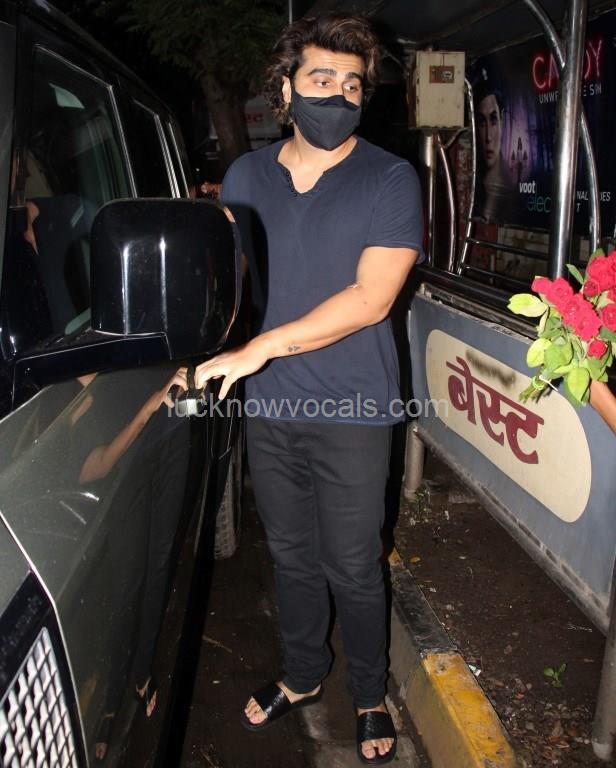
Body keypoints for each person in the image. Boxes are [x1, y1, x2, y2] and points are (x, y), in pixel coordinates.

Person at [186, 14, 423, 764]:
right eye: (321, 79)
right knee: (290, 553)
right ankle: (303, 673)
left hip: (354, 406)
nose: (338, 95)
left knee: (352, 562)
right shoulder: (247, 177)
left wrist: (260, 348)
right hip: (272, 403)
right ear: (285, 90)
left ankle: (370, 693)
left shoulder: (390, 178)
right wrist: (199, 343)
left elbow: (372, 299)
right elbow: (237, 283)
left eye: (352, 85)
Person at [474, 69, 514, 222]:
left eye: (493, 120)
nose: (488, 137)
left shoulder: (510, 186)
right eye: (482, 123)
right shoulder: (476, 184)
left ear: (502, 120)